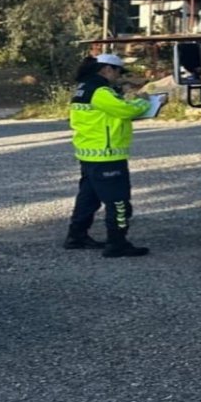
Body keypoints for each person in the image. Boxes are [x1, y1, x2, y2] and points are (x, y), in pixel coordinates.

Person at [65, 53, 153, 257]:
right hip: (107, 155)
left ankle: (76, 236)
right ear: (106, 69)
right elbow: (124, 110)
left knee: (88, 199)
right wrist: (145, 102)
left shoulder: (83, 88)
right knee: (119, 202)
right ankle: (117, 243)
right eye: (118, 71)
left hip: (89, 153)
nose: (119, 76)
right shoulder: (100, 90)